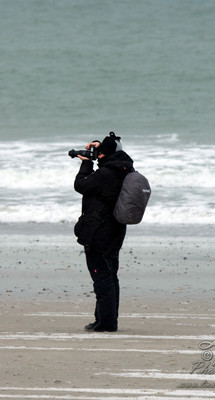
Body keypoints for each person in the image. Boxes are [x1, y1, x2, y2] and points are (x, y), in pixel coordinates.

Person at [74, 132, 134, 332]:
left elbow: (80, 185)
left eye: (99, 154)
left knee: (102, 278)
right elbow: (111, 152)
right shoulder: (123, 169)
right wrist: (102, 147)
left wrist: (86, 163)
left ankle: (107, 323)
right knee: (110, 276)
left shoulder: (106, 174)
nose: (97, 156)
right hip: (115, 231)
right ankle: (104, 319)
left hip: (99, 233)